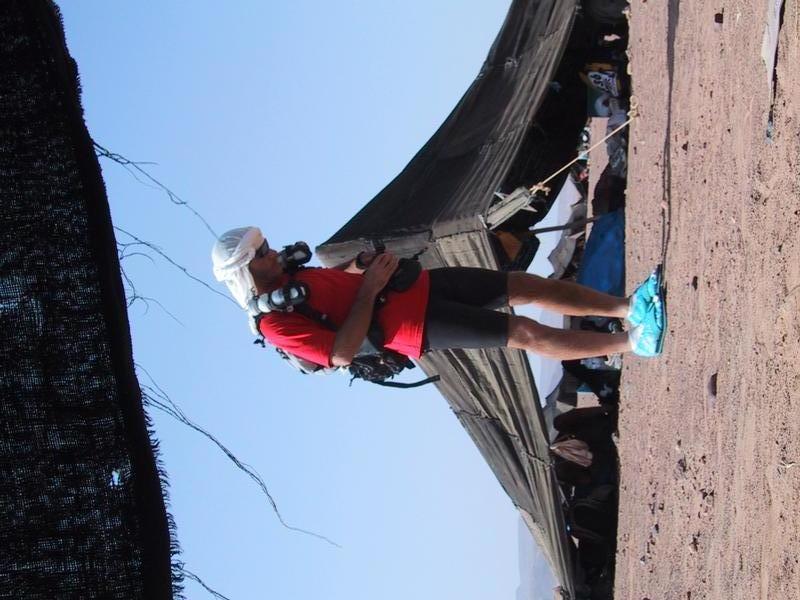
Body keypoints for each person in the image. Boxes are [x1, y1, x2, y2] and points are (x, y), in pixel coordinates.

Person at [211, 227, 665, 370]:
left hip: (418, 285)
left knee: (524, 285)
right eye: (262, 252)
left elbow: (337, 283)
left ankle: (629, 307)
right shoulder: (274, 324)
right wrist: (370, 288)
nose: (273, 251)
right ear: (247, 270)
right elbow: (341, 354)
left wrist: (361, 264)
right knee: (523, 332)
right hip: (415, 327)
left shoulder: (292, 276)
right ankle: (632, 343)